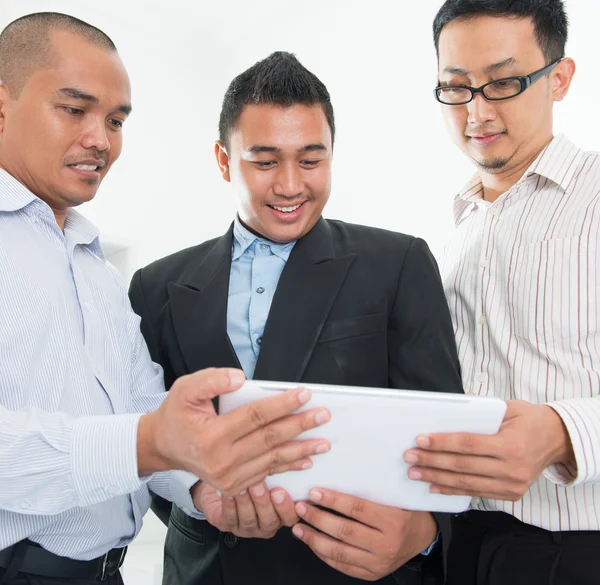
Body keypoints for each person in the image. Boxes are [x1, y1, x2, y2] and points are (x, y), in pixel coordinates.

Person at [0, 14, 332, 585]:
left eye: (116, 119)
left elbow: (143, 407)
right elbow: (144, 434)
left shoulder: (94, 267)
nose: (100, 139)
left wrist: (203, 489)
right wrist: (148, 441)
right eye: (74, 109)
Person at [129, 51, 463, 585]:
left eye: (311, 160)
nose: (290, 185)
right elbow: (140, 439)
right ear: (223, 161)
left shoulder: (397, 264)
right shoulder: (153, 287)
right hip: (210, 571)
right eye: (264, 162)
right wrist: (198, 494)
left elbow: (445, 438)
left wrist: (423, 534)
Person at [403, 1, 600, 583]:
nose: (477, 111)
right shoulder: (453, 229)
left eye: (505, 82)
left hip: (580, 549)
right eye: (456, 88)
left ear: (559, 78)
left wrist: (563, 432)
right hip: (461, 544)